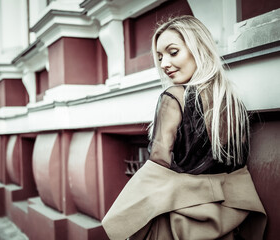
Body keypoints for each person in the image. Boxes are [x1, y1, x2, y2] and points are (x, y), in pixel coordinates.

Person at [102, 15, 267, 240]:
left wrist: (119, 219)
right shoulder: (233, 103)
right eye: (159, 57)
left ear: (198, 48)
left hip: (177, 224)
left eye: (173, 52)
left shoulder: (174, 97)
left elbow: (157, 169)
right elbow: (236, 171)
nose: (164, 64)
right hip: (228, 225)